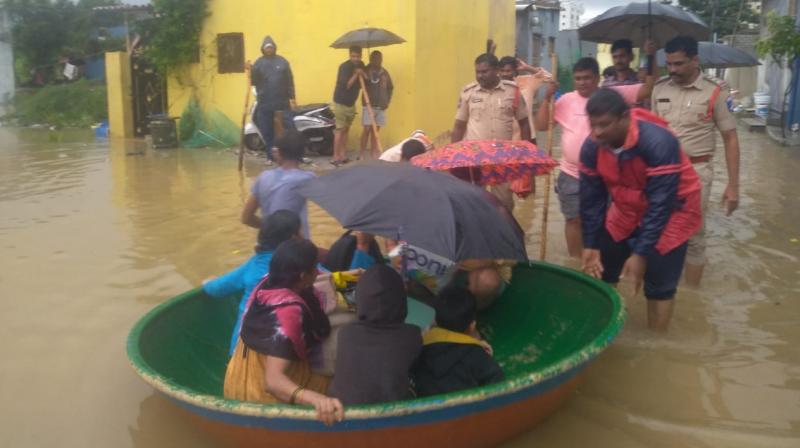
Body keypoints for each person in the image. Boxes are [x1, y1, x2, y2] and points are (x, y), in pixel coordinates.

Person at [580, 88, 702, 332]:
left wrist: (640, 254)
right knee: (602, 266)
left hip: (674, 211)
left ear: (625, 117)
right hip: (626, 208)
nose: (598, 132)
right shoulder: (592, 147)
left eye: (605, 124)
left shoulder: (658, 141)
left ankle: (656, 341)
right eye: (593, 125)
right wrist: (590, 244)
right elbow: (592, 200)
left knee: (659, 283)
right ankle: (602, 330)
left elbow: (661, 203)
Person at [535, 50, 655, 258]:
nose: (582, 83)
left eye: (587, 78)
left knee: (608, 220)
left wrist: (650, 57)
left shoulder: (614, 95)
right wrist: (547, 98)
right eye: (578, 78)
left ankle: (602, 260)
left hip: (606, 174)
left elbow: (646, 90)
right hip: (571, 173)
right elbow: (542, 125)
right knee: (573, 220)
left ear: (597, 78)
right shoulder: (565, 100)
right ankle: (575, 262)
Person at [223, 239, 344, 425]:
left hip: (237, 377)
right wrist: (317, 400)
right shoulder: (289, 314)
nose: (317, 271)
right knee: (340, 376)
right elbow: (273, 382)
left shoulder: (268, 280)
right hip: (260, 395)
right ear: (303, 276)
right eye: (314, 268)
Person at [651, 36, 740, 287]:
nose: (673, 69)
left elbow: (730, 138)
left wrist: (733, 186)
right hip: (662, 171)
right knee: (656, 227)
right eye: (669, 64)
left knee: (693, 235)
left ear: (695, 60)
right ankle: (663, 288)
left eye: (679, 63)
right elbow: (651, 132)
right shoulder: (660, 88)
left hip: (697, 170)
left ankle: (692, 295)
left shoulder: (715, 91)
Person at [203, 210, 302, 355]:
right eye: (301, 232)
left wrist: (207, 282)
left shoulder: (254, 264)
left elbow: (216, 289)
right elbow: (329, 278)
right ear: (294, 237)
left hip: (239, 352)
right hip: (277, 353)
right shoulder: (302, 265)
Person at [328, 264, 422, 405]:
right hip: (392, 417)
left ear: (360, 298)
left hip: (345, 415)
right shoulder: (412, 335)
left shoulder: (346, 334)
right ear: (401, 299)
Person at [452, 53, 532, 211]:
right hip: (474, 157)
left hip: (502, 157)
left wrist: (526, 153)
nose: (480, 76)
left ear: (496, 70)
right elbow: (459, 126)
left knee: (504, 203)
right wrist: (454, 156)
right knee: (475, 201)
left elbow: (524, 124)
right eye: (477, 72)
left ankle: (505, 233)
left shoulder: (512, 91)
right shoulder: (468, 92)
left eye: (484, 71)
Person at [412, 284, 504, 397]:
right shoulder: (474, 354)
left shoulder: (418, 350)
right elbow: (497, 380)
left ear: (435, 320)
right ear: (472, 326)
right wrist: (478, 347)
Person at [241, 131, 316, 237]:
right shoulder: (307, 178)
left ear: (277, 153)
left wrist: (270, 228)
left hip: (266, 245)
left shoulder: (263, 177)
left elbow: (246, 218)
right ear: (303, 154)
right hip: (295, 247)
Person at [251, 36, 296, 162]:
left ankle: (294, 155)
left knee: (290, 128)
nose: (269, 49)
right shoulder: (258, 64)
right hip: (265, 103)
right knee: (267, 130)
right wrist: (250, 70)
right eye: (267, 47)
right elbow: (254, 82)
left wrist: (292, 98)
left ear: (274, 47)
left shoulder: (282, 62)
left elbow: (289, 81)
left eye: (271, 47)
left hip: (282, 102)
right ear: (263, 49)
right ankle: (271, 156)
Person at [331, 46, 366, 166]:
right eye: (353, 56)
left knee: (346, 129)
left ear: (361, 56)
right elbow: (347, 85)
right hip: (340, 102)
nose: (355, 59)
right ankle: (335, 157)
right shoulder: (344, 67)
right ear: (349, 55)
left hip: (351, 103)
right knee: (339, 130)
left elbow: (365, 81)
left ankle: (343, 155)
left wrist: (362, 73)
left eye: (357, 56)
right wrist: (356, 75)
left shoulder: (361, 64)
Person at [359, 51, 394, 160]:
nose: (377, 60)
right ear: (370, 59)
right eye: (374, 58)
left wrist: (387, 101)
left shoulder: (384, 73)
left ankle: (374, 154)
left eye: (379, 58)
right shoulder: (365, 71)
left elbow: (390, 87)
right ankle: (361, 154)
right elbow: (361, 84)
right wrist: (364, 74)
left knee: (376, 132)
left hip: (381, 106)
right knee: (367, 129)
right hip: (369, 105)